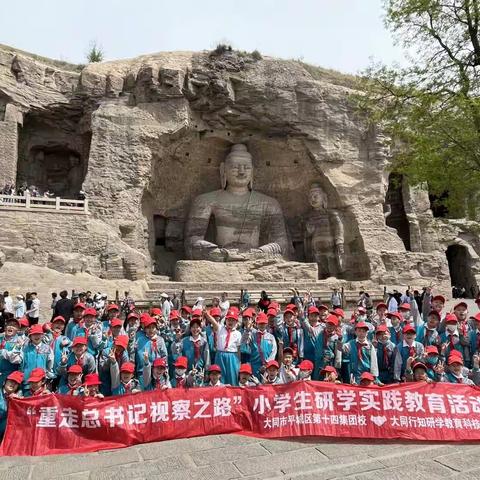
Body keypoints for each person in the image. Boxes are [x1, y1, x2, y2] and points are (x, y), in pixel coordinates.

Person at [205, 308, 241, 386]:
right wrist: (207, 315)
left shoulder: (238, 333)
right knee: (220, 377)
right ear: (226, 320)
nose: (230, 322)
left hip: (232, 356)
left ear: (236, 322)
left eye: (233, 320)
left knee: (232, 376)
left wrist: (239, 362)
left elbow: (238, 349)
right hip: (220, 355)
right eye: (229, 320)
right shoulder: (220, 328)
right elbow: (213, 322)